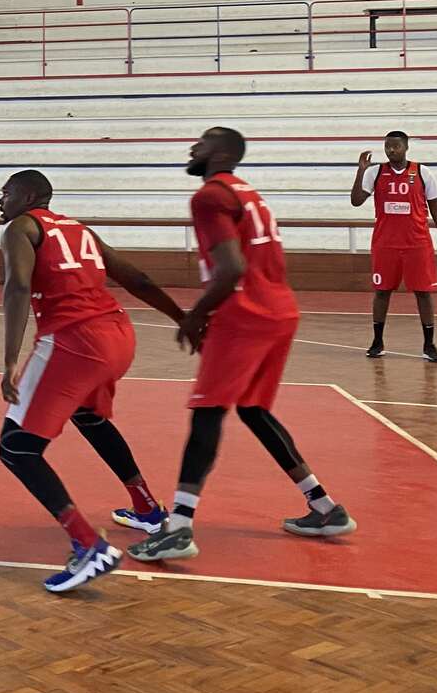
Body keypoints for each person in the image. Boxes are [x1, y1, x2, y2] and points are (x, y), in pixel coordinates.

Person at [131, 127, 355, 564]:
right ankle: (325, 508)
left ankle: (177, 528)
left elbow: (231, 267)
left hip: (245, 314)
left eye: (202, 142)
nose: (191, 147)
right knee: (253, 409)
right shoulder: (250, 194)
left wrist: (196, 316)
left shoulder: (210, 196)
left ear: (221, 153)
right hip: (280, 311)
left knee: (208, 412)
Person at [0, 170, 185, 593]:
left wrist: (10, 359)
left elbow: (18, 287)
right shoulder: (80, 230)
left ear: (27, 196)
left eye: (5, 193)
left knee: (16, 447)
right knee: (89, 417)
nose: (0, 201)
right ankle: (148, 509)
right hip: (118, 335)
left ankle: (87, 545)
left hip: (74, 340)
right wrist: (182, 317)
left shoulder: (20, 228)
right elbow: (137, 278)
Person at [352, 131, 437, 362]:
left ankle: (429, 344)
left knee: (423, 293)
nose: (391, 150)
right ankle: (377, 341)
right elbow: (356, 201)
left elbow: (436, 208)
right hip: (385, 243)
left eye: (396, 146)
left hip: (417, 243)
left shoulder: (422, 172)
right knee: (382, 292)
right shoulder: (375, 173)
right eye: (388, 146)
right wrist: (360, 171)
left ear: (405, 147)